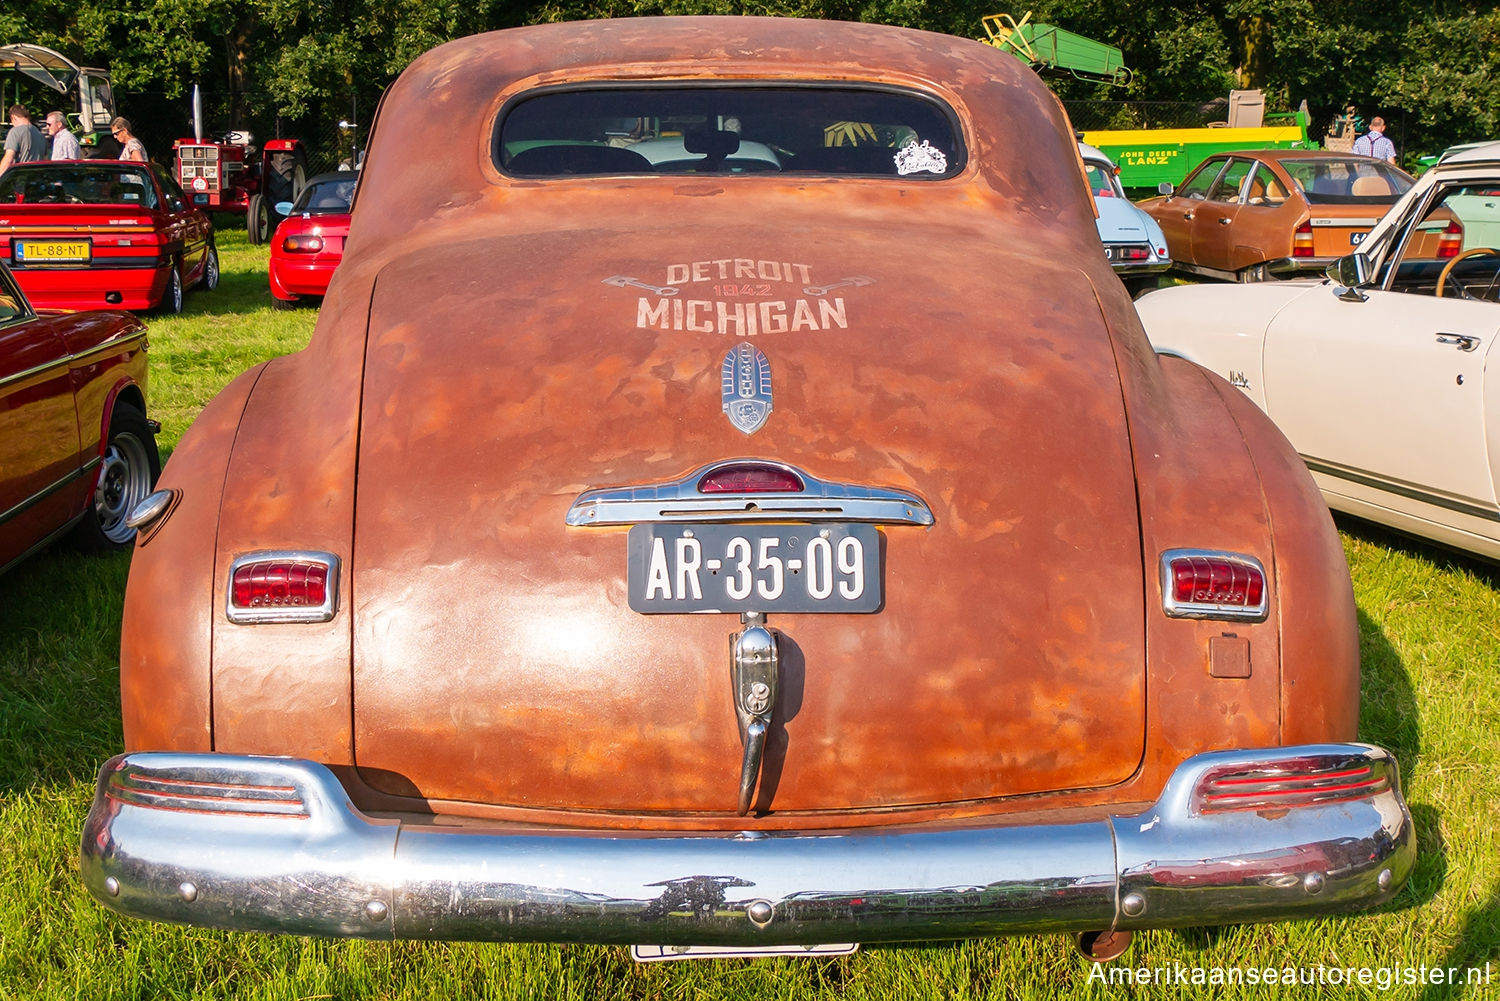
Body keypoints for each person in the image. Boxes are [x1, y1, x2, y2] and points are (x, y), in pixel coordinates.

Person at [1, 104, 47, 176]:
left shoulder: (15, 132)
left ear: (13, 117)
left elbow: (8, 159)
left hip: (21, 179)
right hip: (37, 179)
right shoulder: (41, 136)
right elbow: (45, 160)